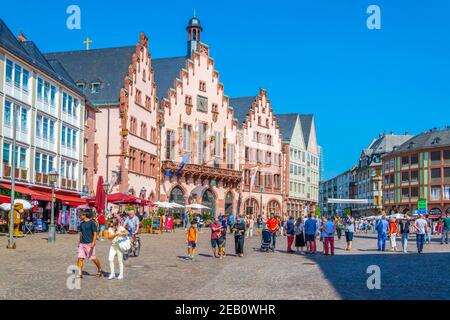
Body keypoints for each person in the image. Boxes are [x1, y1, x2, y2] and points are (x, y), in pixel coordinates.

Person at [77, 211, 103, 278]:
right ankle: (80, 273)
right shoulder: (82, 224)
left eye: (80, 216)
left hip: (89, 243)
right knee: (80, 258)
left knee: (93, 258)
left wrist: (93, 242)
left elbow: (95, 233)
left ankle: (99, 269)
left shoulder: (92, 223)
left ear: (84, 215)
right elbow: (81, 233)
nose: (80, 217)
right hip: (82, 243)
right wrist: (79, 242)